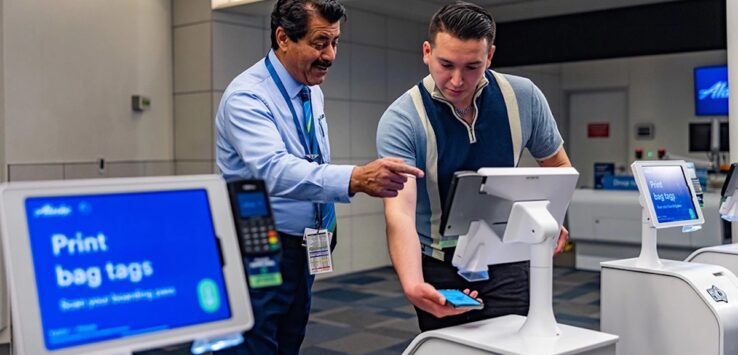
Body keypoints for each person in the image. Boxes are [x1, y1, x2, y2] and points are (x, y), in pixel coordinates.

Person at [215, 0, 423, 353]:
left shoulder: (312, 90)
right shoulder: (247, 97)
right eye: (319, 42)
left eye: (335, 42)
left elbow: (311, 156)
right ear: (283, 38)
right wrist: (355, 179)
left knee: (290, 338)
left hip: (303, 246)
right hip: (260, 246)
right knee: (255, 343)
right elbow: (274, 170)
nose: (330, 55)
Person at [376, 1, 572, 332]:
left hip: (507, 254)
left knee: (517, 346)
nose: (456, 79)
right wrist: (412, 284)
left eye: (472, 66)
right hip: (439, 262)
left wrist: (552, 217)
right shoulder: (402, 119)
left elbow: (559, 169)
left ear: (490, 57)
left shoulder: (523, 97)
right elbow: (400, 212)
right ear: (426, 52)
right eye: (446, 64)